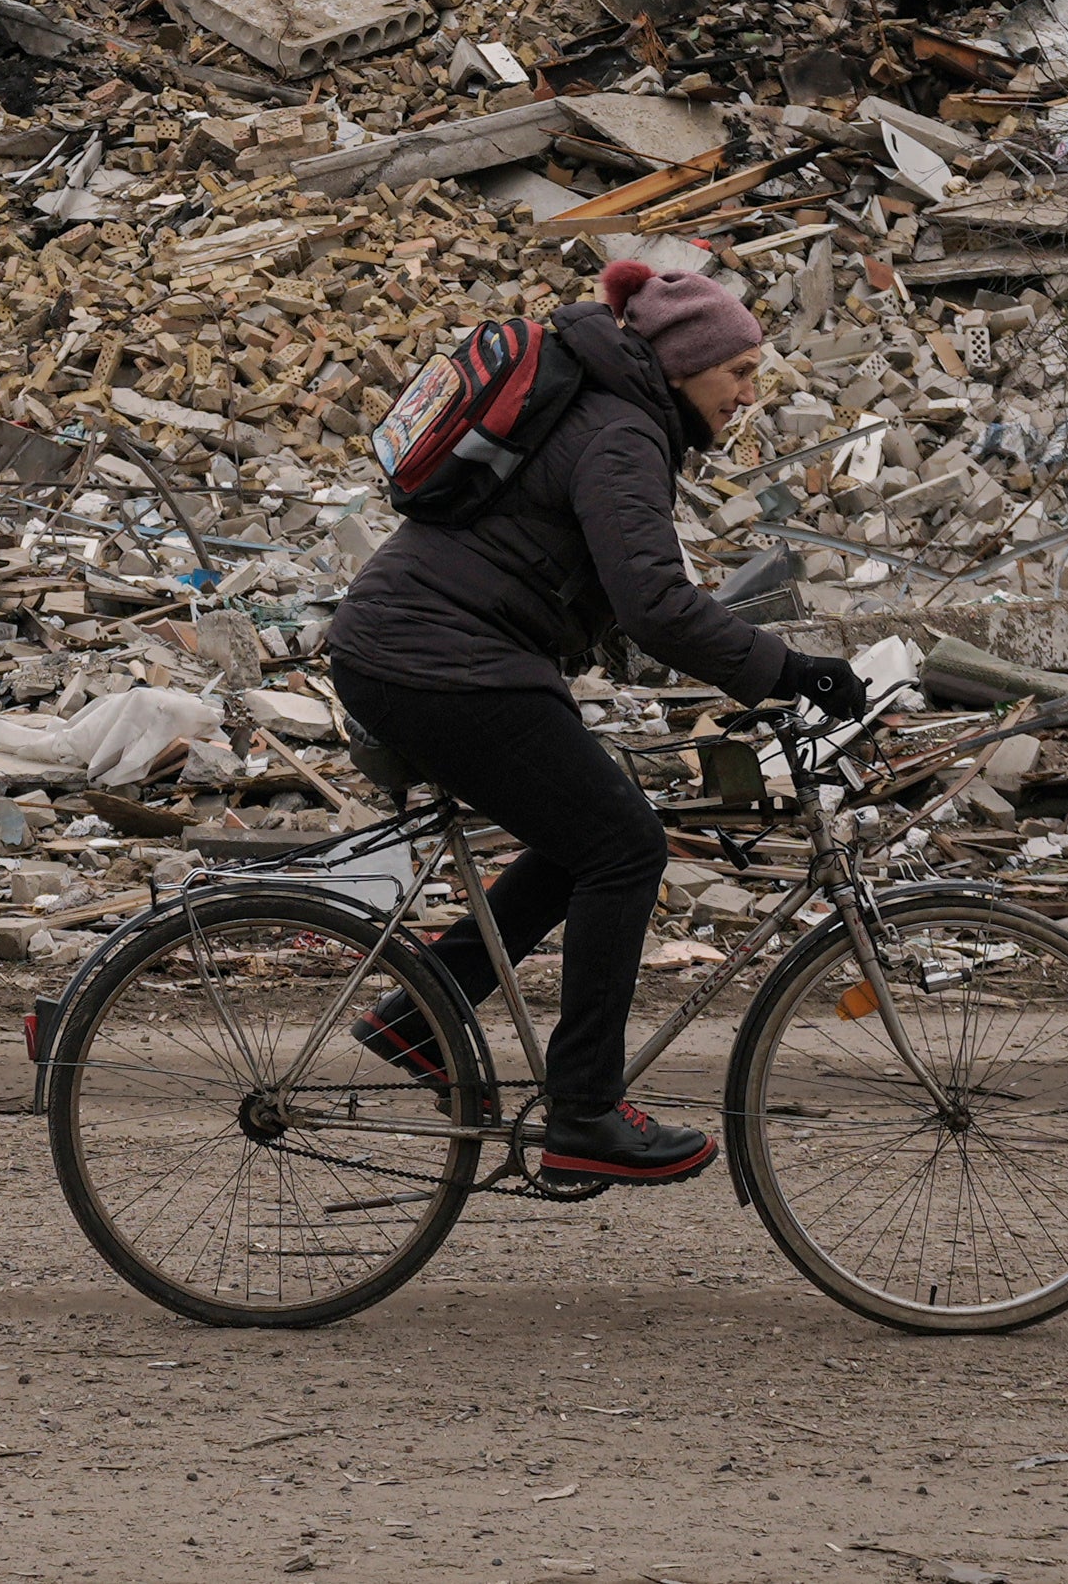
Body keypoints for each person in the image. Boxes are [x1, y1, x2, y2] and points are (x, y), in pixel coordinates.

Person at [323, 254, 871, 1185]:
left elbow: (600, 590)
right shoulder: (622, 431)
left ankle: (422, 1014)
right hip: (438, 663)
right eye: (738, 372)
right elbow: (656, 600)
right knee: (623, 845)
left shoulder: (607, 414)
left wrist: (724, 669)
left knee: (591, 836)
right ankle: (583, 1112)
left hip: (420, 654)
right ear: (687, 362)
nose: (749, 393)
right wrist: (791, 671)